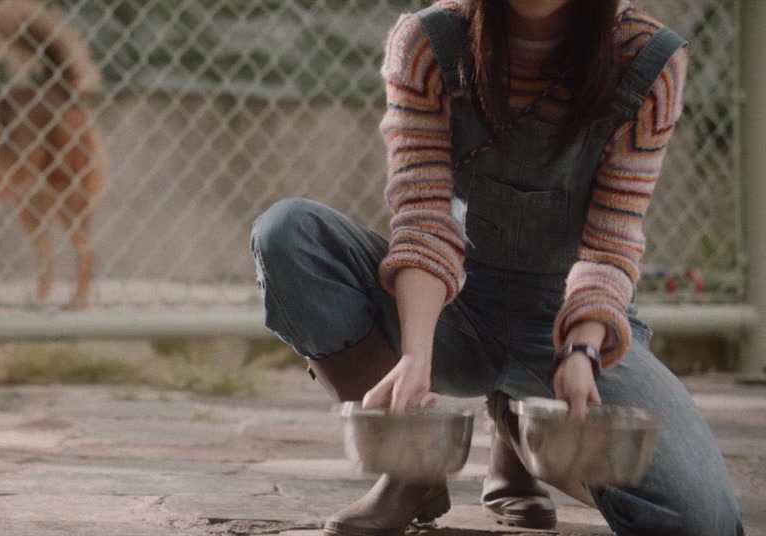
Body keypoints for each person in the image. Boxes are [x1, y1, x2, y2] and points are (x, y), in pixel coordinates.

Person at [249, 0, 745, 534]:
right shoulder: (429, 43)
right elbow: (423, 220)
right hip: (455, 305)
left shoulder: (647, 59)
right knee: (289, 235)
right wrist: (416, 356)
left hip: (567, 322)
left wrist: (582, 351)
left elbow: (611, 242)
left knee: (702, 521)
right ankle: (412, 463)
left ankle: (522, 432)